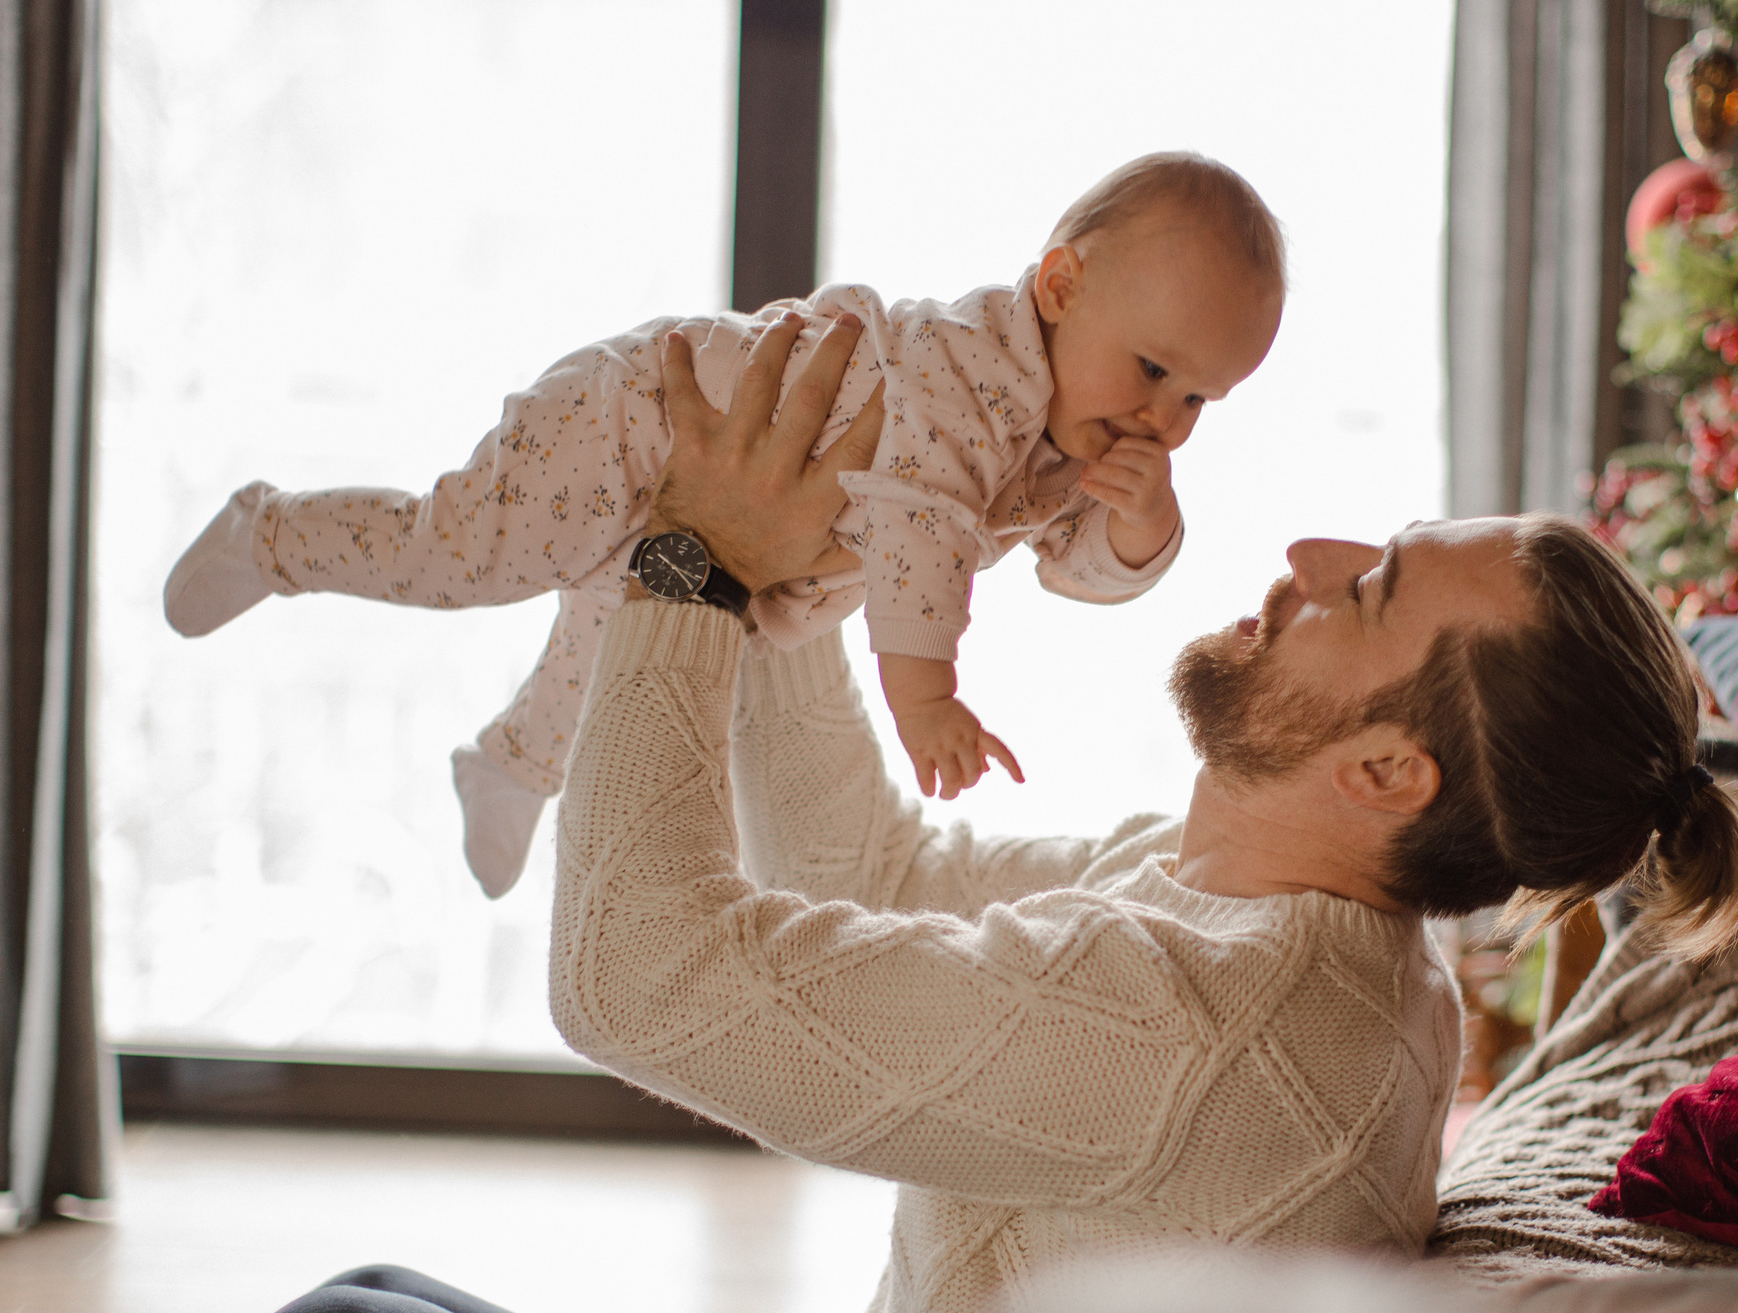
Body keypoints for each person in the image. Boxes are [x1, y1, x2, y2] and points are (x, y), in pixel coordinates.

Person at [0, 311, 1738, 1313]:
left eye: (1368, 587)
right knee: (402, 1297)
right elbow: (876, 862)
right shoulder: (1265, 914)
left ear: (1389, 767)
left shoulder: (1219, 1020)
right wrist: (786, 571)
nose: (1304, 547)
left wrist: (682, 577)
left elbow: (638, 975)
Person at [160, 152, 1288, 897]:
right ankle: (273, 536)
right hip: (642, 420)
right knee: (461, 556)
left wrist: (1145, 527)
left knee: (613, 642)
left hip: (724, 526)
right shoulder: (971, 372)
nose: (1163, 416)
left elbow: (1073, 577)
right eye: (1151, 369)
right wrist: (927, 700)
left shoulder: (1062, 443)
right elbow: (925, 530)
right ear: (1057, 285)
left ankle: (509, 765)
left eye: (1198, 399)